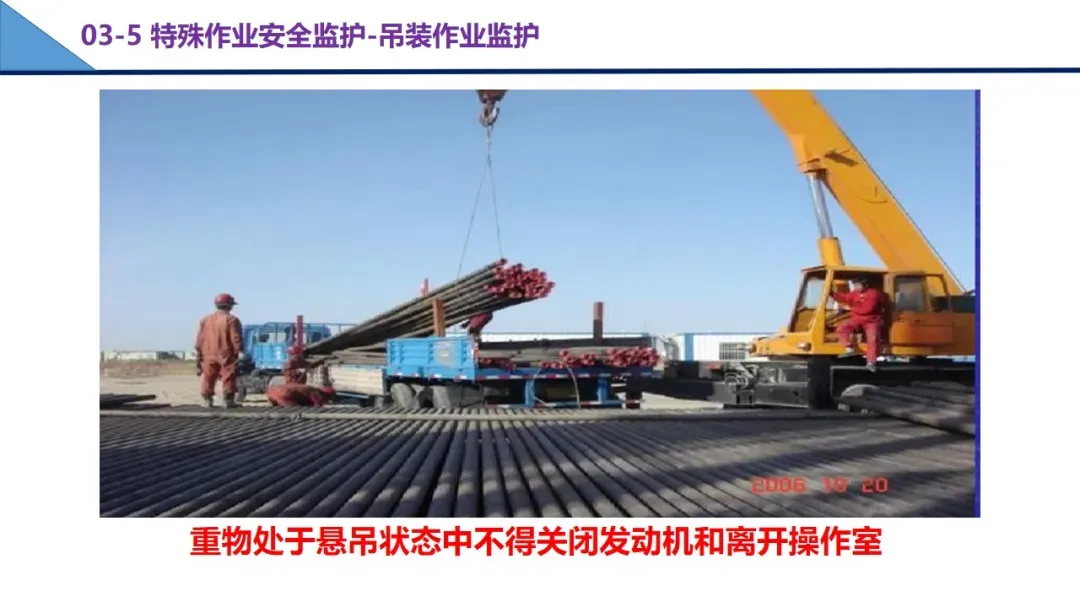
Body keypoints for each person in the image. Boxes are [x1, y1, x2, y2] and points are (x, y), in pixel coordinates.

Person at [195, 293, 244, 408]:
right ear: (228, 305)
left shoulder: (205, 320)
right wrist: (239, 350)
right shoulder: (232, 320)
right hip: (225, 352)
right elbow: (235, 337)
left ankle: (207, 401)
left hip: (207, 352)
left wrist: (199, 352)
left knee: (208, 376)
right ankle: (228, 401)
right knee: (228, 375)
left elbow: (199, 339)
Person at [830, 277, 886, 371]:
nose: (856, 287)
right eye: (855, 285)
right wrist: (832, 294)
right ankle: (849, 347)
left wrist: (851, 308)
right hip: (857, 319)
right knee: (842, 328)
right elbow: (844, 297)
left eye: (858, 285)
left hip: (871, 321)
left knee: (872, 340)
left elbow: (867, 309)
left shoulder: (874, 294)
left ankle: (871, 362)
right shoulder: (855, 293)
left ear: (866, 286)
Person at [266, 383, 337, 407]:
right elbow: (318, 405)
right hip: (284, 394)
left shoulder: (308, 388)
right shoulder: (315, 393)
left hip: (271, 392)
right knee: (296, 409)